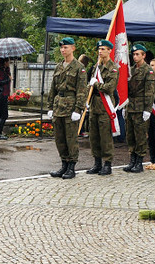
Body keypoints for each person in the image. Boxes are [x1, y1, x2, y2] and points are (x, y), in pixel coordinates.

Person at [47, 37, 87, 180]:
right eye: (62, 48)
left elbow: (82, 90)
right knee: (60, 138)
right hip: (58, 106)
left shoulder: (79, 67)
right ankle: (64, 163)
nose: (63, 50)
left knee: (71, 138)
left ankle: (71, 166)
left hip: (71, 106)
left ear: (73, 48)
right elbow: (53, 88)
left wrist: (78, 109)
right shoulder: (59, 66)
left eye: (66, 47)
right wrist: (50, 106)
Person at [86, 40, 119, 175]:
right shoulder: (96, 67)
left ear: (110, 51)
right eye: (99, 49)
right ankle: (97, 163)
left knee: (105, 137)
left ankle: (107, 164)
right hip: (94, 105)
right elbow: (90, 85)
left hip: (105, 106)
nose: (100, 52)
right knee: (94, 136)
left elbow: (109, 88)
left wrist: (96, 84)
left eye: (103, 49)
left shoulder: (113, 68)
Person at [123, 44, 155, 173]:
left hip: (141, 107)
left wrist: (148, 109)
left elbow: (150, 91)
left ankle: (139, 162)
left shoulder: (148, 70)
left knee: (140, 136)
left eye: (138, 54)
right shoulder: (130, 70)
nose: (135, 57)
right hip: (130, 106)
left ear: (144, 55)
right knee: (130, 135)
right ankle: (132, 160)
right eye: (134, 54)